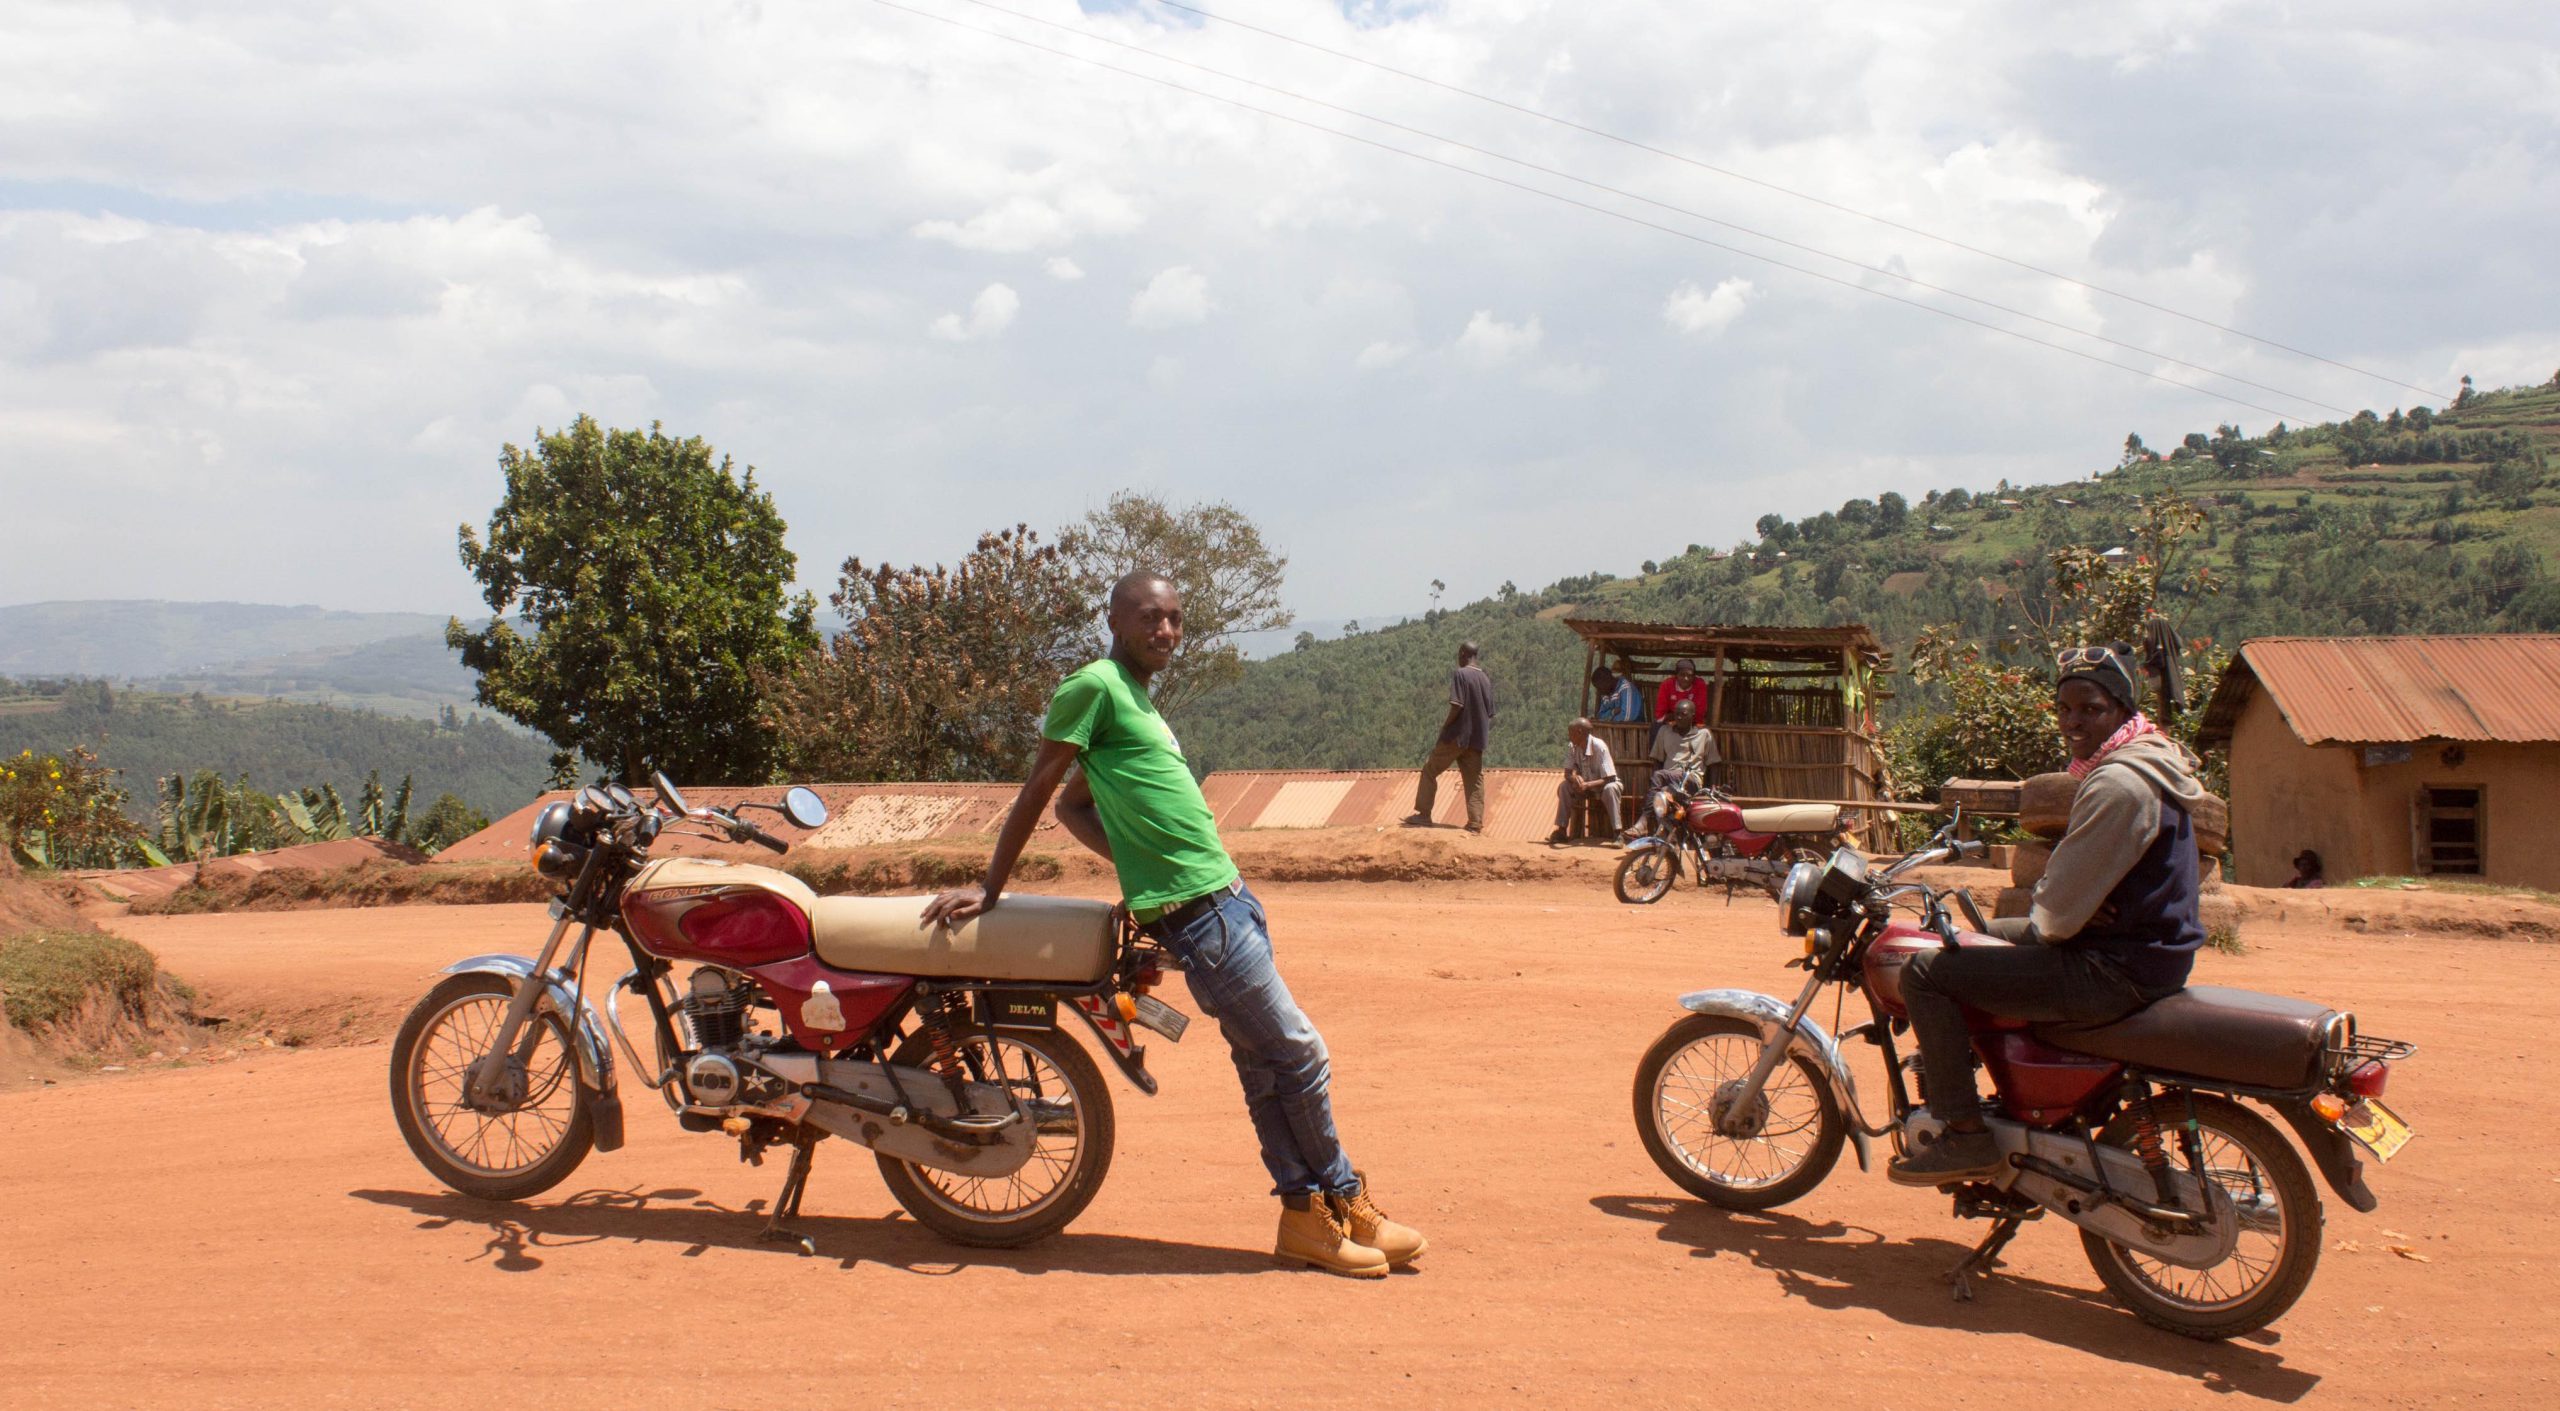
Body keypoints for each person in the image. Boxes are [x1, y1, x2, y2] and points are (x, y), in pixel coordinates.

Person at [922, 571, 1425, 1277]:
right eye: (1150, 618)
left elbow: (1078, 805)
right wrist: (989, 886)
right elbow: (1042, 790)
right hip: (1203, 916)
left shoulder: (1137, 700)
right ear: (1114, 620)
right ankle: (1344, 1196)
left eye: (1176, 620)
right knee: (1302, 1052)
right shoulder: (1093, 687)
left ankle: (1305, 1219)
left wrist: (1139, 869)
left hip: (1228, 899)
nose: (1165, 631)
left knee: (1265, 1066)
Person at [1889, 642, 2207, 1186]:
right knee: (1985, 934)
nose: (2073, 722)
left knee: (1925, 974)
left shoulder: (2117, 783)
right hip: (2152, 952)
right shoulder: (2154, 761)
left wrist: (2064, 906)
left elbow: (2057, 917)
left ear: (2123, 710)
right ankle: (2003, 1085)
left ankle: (1966, 1134)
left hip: (2111, 969)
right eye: (2065, 708)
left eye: (2092, 708)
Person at [1405, 642, 1493, 833]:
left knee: (1430, 769)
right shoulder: (1485, 679)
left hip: (1457, 736)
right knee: (1474, 779)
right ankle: (1475, 822)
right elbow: (1489, 712)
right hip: (1476, 739)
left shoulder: (1460, 674)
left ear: (1463, 654)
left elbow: (1457, 705)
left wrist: (1445, 727)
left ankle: (1424, 814)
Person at [1637, 699, 1721, 832]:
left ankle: (1644, 819)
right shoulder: (1665, 731)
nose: (1679, 717)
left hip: (1691, 779)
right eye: (1676, 714)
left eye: (1683, 714)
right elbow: (1657, 761)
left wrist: (1713, 788)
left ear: (1693, 715)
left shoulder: (1704, 734)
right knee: (1662, 794)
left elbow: (1714, 763)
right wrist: (1655, 788)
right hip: (1671, 783)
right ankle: (1670, 839)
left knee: (1659, 775)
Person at [1547, 718, 1623, 846]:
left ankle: (1618, 834)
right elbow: (1567, 773)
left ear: (1579, 732)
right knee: (1564, 787)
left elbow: (1609, 778)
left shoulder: (1599, 746)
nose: (1569, 736)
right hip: (1584, 787)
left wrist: (1587, 784)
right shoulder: (1572, 747)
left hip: (1603, 785)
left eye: (1570, 733)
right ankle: (1561, 830)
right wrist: (1575, 779)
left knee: (1611, 789)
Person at [1655, 657, 1710, 724]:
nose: (1686, 678)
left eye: (1689, 675)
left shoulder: (1699, 685)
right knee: (1656, 728)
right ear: (1676, 675)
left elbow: (1700, 712)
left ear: (1694, 676)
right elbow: (1660, 713)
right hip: (1671, 723)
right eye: (1682, 675)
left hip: (1693, 723)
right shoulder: (1666, 685)